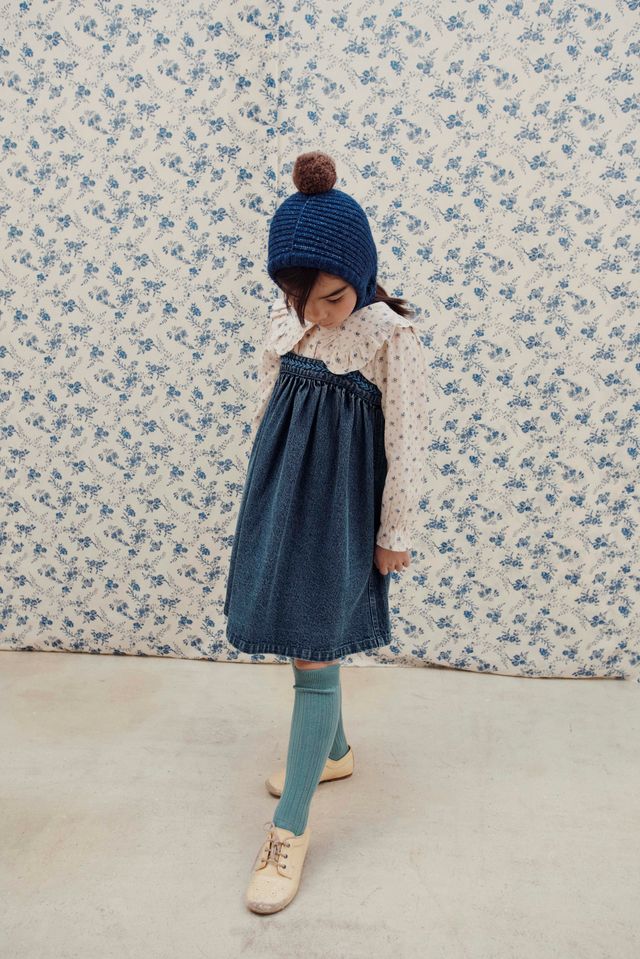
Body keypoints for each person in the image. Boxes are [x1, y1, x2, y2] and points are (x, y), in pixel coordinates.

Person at [223, 150, 429, 914]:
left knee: (315, 646)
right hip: (282, 495)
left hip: (338, 511)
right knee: (299, 630)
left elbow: (407, 439)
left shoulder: (387, 336)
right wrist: (258, 487)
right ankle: (334, 751)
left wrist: (394, 528)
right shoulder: (291, 318)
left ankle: (289, 829)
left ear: (361, 273)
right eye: (301, 298)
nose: (318, 314)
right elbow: (266, 399)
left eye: (333, 298)